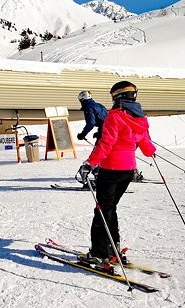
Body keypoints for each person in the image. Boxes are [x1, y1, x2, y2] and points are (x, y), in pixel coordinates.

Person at [77, 81, 156, 267]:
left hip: (111, 170)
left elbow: (106, 144)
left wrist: (90, 163)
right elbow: (147, 148)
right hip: (128, 172)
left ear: (116, 97)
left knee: (102, 211)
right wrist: (151, 150)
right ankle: (113, 248)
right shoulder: (140, 118)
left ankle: (99, 254)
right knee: (110, 208)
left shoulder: (115, 117)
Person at [76, 90, 108, 188]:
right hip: (110, 131)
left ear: (82, 99)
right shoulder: (99, 105)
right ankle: (100, 175)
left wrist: (83, 134)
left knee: (97, 153)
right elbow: (107, 118)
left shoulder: (88, 107)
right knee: (103, 153)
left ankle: (98, 177)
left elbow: (91, 123)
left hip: (104, 132)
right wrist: (100, 131)